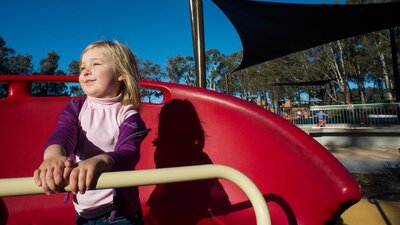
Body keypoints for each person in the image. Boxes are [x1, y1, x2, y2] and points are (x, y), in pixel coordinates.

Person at [33, 40, 149, 225]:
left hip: (120, 213)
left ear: (120, 73)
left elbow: (128, 151)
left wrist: (100, 161)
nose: (86, 71)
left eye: (96, 64)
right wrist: (53, 157)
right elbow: (63, 134)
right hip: (84, 211)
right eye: (82, 67)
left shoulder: (127, 113)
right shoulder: (75, 108)